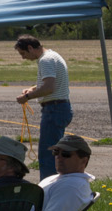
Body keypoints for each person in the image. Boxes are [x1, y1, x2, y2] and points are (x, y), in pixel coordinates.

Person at [22, 133, 96, 211]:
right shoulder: (58, 179)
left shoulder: (73, 186)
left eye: (66, 154)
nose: (59, 157)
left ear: (84, 160)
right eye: (56, 152)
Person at [14, 33, 71, 178]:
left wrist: (27, 97)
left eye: (23, 53)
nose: (23, 57)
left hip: (54, 110)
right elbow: (49, 83)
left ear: (30, 48)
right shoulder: (52, 56)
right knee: (55, 153)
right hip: (59, 108)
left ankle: (47, 190)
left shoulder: (46, 60)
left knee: (48, 156)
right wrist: (33, 89)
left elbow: (49, 88)